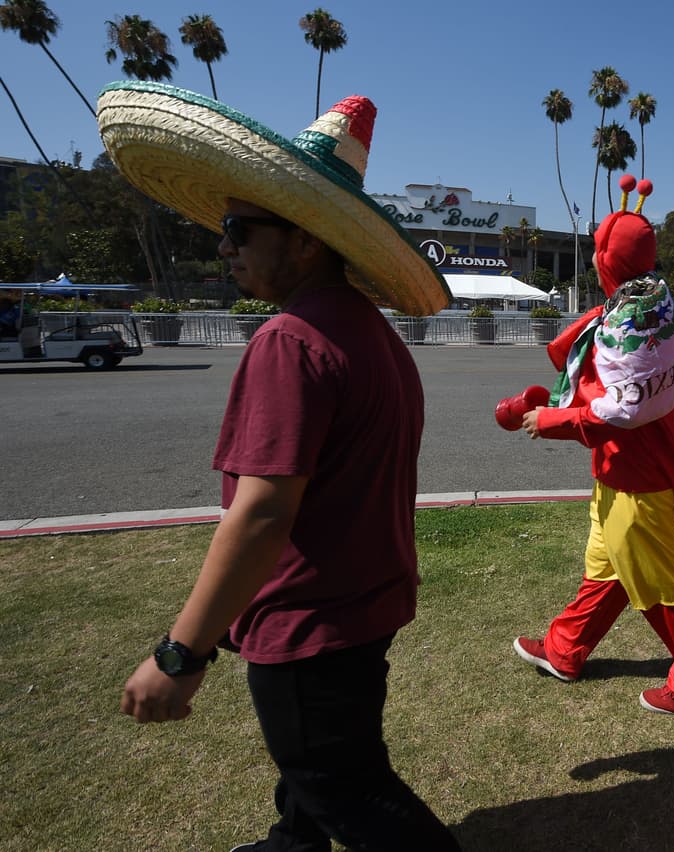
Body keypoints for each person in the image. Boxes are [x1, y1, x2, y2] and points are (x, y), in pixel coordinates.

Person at [104, 82, 459, 850]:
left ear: (304, 242)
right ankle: (293, 844)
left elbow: (262, 512)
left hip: (311, 618)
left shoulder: (289, 342)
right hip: (366, 601)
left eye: (237, 228)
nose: (223, 244)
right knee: (322, 756)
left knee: (344, 779)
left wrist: (180, 652)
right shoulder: (367, 331)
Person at [512, 175, 674, 716]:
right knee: (605, 571)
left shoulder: (634, 324)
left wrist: (553, 418)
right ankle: (565, 649)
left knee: (657, 583)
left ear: (606, 265)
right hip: (619, 473)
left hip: (640, 478)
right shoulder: (643, 311)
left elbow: (621, 412)